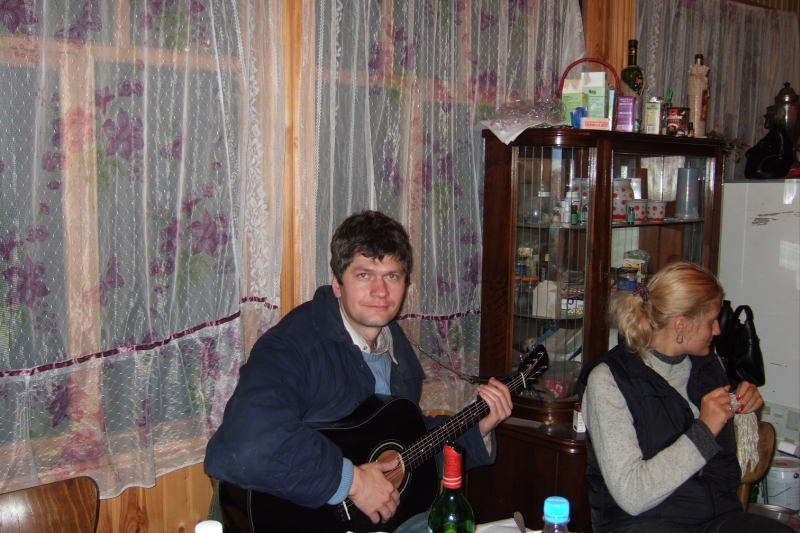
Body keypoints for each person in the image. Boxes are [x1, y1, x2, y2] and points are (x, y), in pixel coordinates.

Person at [205, 210, 512, 532]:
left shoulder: (397, 351)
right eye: (365, 275)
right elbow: (249, 442)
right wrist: (351, 482)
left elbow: (404, 442)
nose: (381, 291)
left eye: (392, 276)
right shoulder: (293, 345)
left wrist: (478, 428)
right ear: (337, 283)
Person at [577, 261, 793, 533]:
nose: (718, 330)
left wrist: (744, 407)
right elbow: (632, 495)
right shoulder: (608, 380)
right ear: (681, 325)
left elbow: (732, 449)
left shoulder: (709, 365)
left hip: (716, 517)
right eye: (711, 321)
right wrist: (704, 431)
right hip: (643, 523)